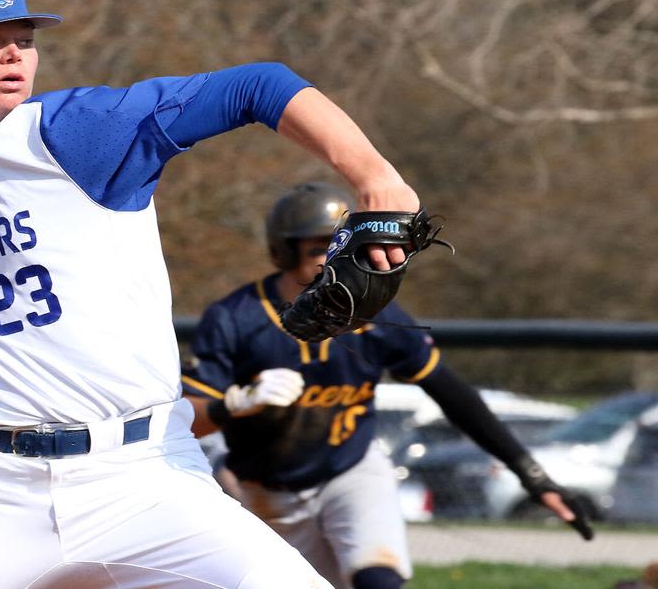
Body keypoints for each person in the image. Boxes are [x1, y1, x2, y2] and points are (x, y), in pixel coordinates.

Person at [0, 0, 423, 588]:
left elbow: (258, 85)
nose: (15, 55)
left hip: (144, 477)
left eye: (26, 40)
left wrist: (374, 176)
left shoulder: (79, 133)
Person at [181, 182, 594, 589]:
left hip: (352, 469)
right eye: (318, 246)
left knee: (378, 576)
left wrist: (532, 475)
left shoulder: (376, 316)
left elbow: (451, 394)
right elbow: (187, 421)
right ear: (283, 252)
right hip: (267, 488)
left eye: (341, 245)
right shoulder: (236, 317)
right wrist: (234, 403)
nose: (333, 257)